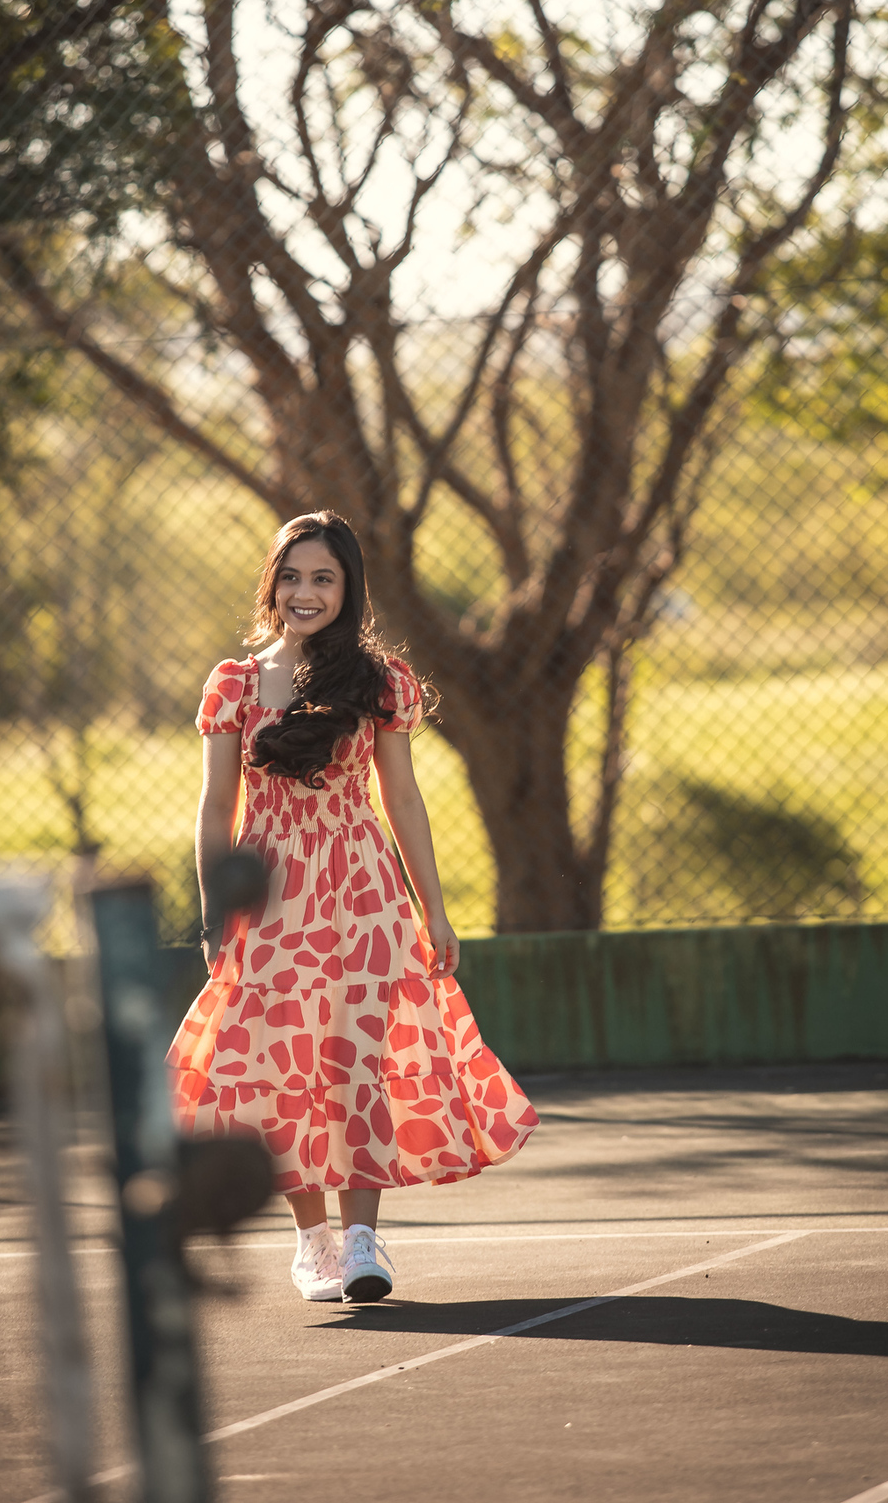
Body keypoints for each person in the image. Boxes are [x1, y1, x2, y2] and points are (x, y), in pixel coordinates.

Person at [167, 511, 538, 1304]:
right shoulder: (233, 684)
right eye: (292, 576)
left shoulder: (379, 683)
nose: (306, 593)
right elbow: (213, 809)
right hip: (266, 899)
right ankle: (313, 1243)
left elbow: (401, 797)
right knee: (280, 1064)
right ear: (273, 584)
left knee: (356, 1058)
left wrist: (433, 909)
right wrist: (213, 915)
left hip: (363, 893)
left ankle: (364, 1241)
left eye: (323, 579)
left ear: (349, 589)